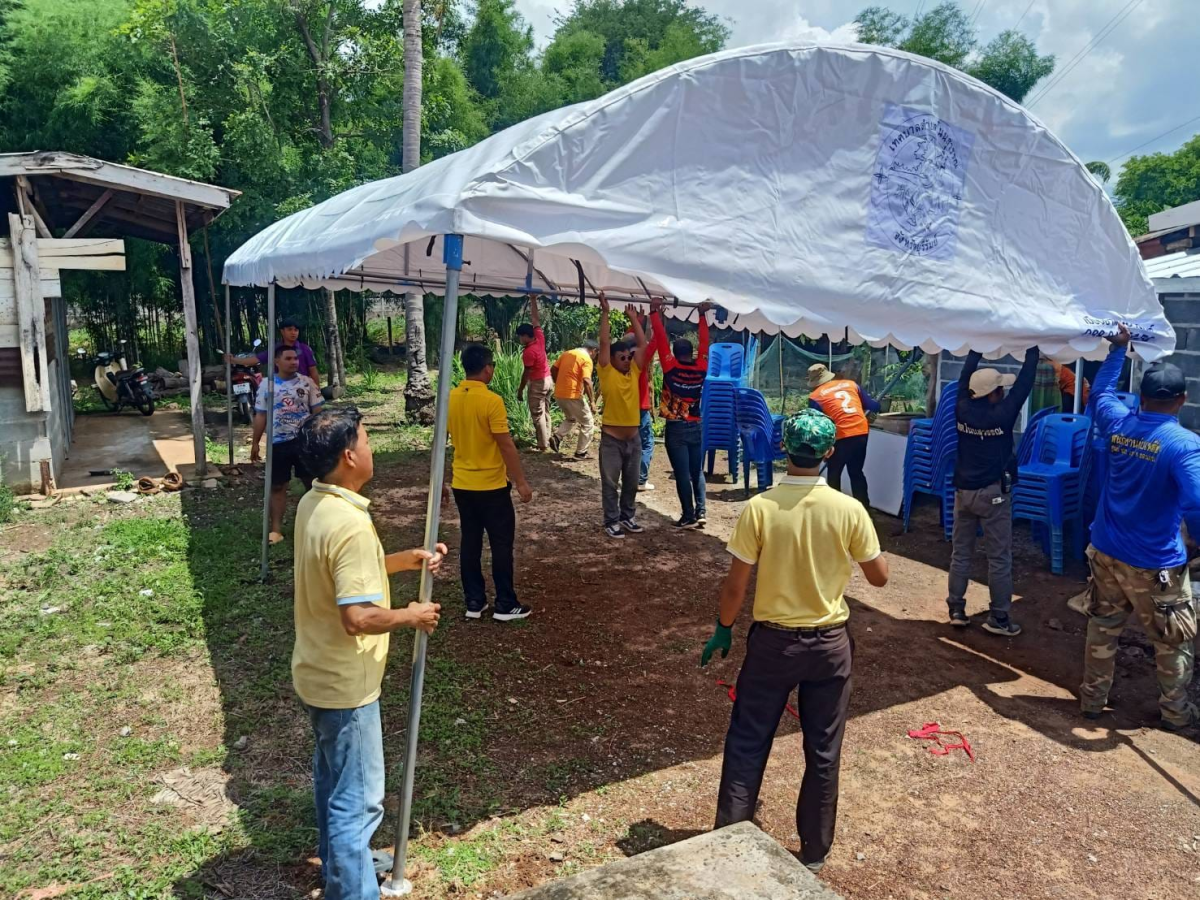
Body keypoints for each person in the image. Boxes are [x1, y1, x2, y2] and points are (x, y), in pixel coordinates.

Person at [703, 409, 889, 873]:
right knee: (823, 749)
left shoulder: (761, 507)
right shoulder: (848, 509)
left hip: (772, 645)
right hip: (829, 646)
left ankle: (730, 837)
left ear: (784, 449)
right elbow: (879, 577)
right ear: (829, 453)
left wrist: (724, 627)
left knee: (748, 739)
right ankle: (815, 850)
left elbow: (735, 585)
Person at [292, 406, 443, 900]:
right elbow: (357, 616)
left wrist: (406, 560)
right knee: (358, 803)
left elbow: (348, 574)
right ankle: (353, 891)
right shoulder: (351, 525)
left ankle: (342, 866)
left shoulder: (316, 504)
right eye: (367, 438)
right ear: (348, 455)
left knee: (332, 785)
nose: (371, 446)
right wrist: (412, 615)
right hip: (347, 687)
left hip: (316, 673)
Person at [1079, 325, 1200, 731]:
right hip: (1155, 564)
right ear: (1182, 400)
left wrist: (1118, 351)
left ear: (1143, 398)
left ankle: (1092, 702)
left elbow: (1100, 395)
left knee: (1103, 626)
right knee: (1173, 640)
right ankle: (1176, 714)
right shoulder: (1182, 444)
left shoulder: (1119, 423)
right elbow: (1197, 501)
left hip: (1106, 550)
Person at [946, 346, 1039, 635]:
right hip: (992, 495)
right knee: (999, 557)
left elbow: (964, 380)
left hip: (963, 493)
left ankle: (956, 609)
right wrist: (1032, 352)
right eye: (999, 388)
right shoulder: (1002, 415)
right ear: (992, 395)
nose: (1003, 392)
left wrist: (975, 349)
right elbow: (1025, 384)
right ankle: (999, 618)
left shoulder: (961, 407)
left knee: (961, 552)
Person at [448, 344, 534, 621]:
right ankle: (506, 603)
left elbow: (440, 442)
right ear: (487, 368)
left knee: (470, 542)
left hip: (462, 483)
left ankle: (474, 600)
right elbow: (506, 445)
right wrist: (520, 482)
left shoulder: (449, 397)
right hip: (491, 486)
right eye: (492, 365)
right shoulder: (491, 401)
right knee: (500, 544)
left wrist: (439, 482)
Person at [253, 346, 325, 544]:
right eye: (288, 358)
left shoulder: (307, 383)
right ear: (277, 361)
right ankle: (275, 531)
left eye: (295, 358)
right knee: (277, 486)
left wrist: (317, 437)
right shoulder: (267, 385)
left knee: (312, 484)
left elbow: (318, 411)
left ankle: (316, 526)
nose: (293, 362)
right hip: (278, 443)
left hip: (304, 442)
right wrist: (256, 442)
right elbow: (261, 414)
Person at [650, 297, 711, 528]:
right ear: (691, 352)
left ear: (674, 353)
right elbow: (705, 344)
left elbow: (661, 340)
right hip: (696, 424)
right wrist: (703, 316)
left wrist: (655, 312)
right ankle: (701, 511)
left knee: (682, 473)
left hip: (676, 427)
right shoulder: (701, 368)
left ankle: (688, 515)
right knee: (697, 472)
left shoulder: (670, 367)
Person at [596, 293, 650, 539]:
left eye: (629, 357)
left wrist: (634, 318)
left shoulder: (635, 372)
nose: (628, 360)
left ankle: (627, 517)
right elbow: (605, 343)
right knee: (610, 483)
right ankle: (611, 520)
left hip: (633, 438)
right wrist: (606, 312)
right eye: (623, 358)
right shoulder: (607, 372)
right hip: (612, 439)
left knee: (631, 483)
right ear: (613, 359)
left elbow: (644, 345)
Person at [806, 363, 881, 507]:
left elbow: (818, 424)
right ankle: (864, 510)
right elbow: (873, 406)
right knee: (856, 472)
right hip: (860, 431)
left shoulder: (815, 396)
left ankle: (836, 510)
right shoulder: (851, 385)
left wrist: (824, 449)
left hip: (840, 435)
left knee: (834, 473)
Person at [228, 316, 321, 386]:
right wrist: (234, 360)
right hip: (281, 390)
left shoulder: (304, 349)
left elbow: (313, 371)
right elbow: (256, 359)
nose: (293, 333)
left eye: (296, 330)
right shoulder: (275, 349)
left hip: (302, 388)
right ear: (282, 331)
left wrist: (317, 391)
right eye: (290, 330)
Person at [622, 313, 658, 492]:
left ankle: (628, 478)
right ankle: (641, 480)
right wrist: (655, 318)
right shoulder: (641, 360)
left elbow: (629, 339)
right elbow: (655, 340)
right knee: (646, 442)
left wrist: (636, 320)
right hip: (640, 407)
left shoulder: (619, 360)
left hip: (624, 407)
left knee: (627, 443)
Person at [515, 297, 554, 452]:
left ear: (525, 336)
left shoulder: (529, 352)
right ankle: (547, 438)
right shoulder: (539, 339)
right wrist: (533, 300)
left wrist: (520, 389)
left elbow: (526, 373)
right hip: (548, 379)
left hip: (538, 382)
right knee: (546, 411)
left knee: (537, 414)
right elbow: (536, 319)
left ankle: (542, 445)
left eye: (520, 336)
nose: (519, 339)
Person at [550, 340, 600, 459]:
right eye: (596, 355)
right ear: (594, 351)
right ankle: (581, 452)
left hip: (559, 393)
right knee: (588, 423)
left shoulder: (567, 353)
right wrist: (592, 402)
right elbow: (587, 381)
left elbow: (553, 369)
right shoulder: (586, 359)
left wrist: (559, 383)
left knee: (571, 418)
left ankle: (557, 437)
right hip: (573, 395)